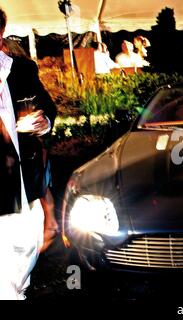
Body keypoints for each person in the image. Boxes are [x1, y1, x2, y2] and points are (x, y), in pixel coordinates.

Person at [0, 7, 57, 299]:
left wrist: (43, 121)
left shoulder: (22, 70)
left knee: (21, 258)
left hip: (23, 185)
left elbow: (48, 108)